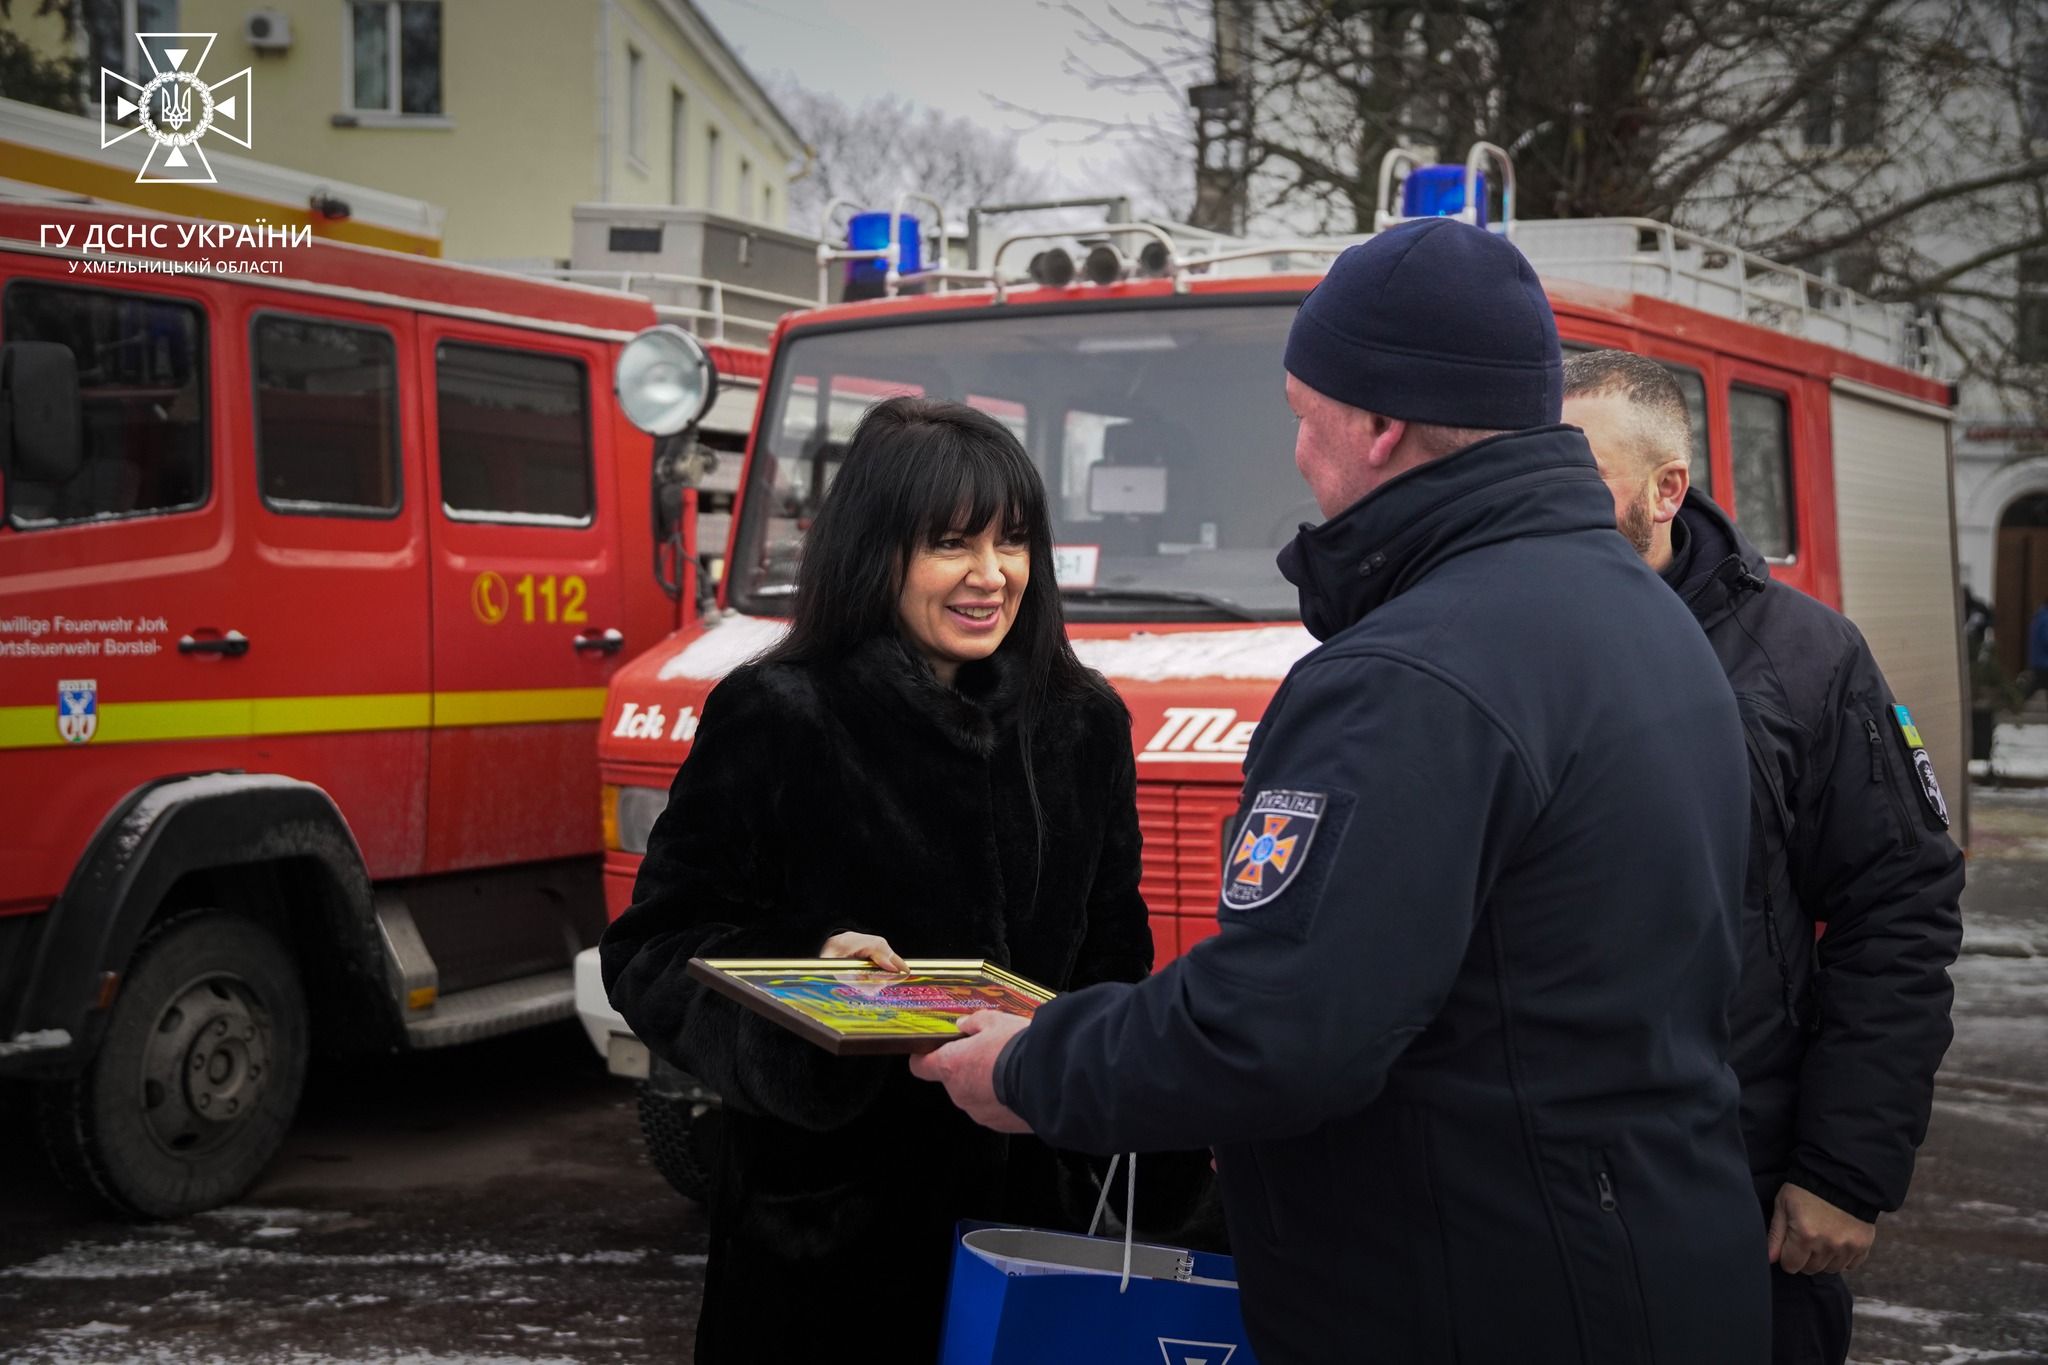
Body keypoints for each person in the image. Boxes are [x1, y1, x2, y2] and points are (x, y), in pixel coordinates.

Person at [913, 218, 1768, 1364]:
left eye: (1301, 420)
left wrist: (1034, 1064)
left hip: (1476, 1294)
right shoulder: (1641, 615)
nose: (1299, 459)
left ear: (1376, 426)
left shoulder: (1408, 673)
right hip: (1641, 1250)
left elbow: (1279, 1030)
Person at [600, 397, 1158, 1362]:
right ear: (877, 551)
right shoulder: (781, 716)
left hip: (1034, 1237)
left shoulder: (1084, 723)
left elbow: (1117, 957)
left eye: (1013, 542)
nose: (992, 576)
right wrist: (809, 984)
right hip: (826, 1254)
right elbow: (652, 951)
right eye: (952, 544)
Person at [1560, 349, 1966, 1365]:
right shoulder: (1493, 636)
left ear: (1666, 490)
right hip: (1526, 1197)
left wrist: (1842, 1169)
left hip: (1733, 1193)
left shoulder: (1804, 657)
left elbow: (1898, 907)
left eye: (1578, 472)